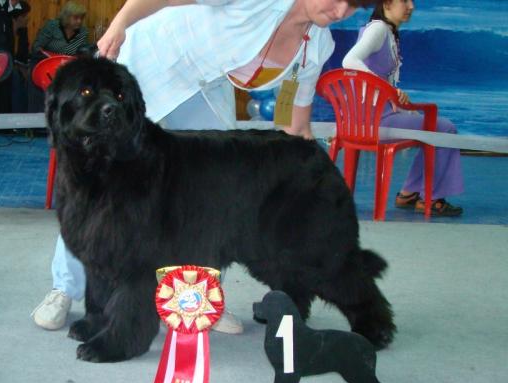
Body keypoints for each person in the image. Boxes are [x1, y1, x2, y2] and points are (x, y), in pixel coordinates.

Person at [32, 0, 382, 333]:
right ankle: (65, 288)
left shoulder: (317, 45)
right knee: (98, 189)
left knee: (213, 197)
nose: (340, 11)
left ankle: (197, 299)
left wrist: (310, 188)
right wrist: (121, 22)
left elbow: (297, 126)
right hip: (155, 64)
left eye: (352, 7)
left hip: (205, 86)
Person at [342, 0, 464, 216]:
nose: (411, 6)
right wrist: (386, 90)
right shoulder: (378, 29)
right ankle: (431, 198)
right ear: (387, 3)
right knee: (446, 129)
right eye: (404, 1)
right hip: (375, 121)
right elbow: (349, 60)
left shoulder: (386, 31)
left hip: (373, 117)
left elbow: (377, 83)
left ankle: (409, 194)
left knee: (430, 126)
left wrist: (404, 107)